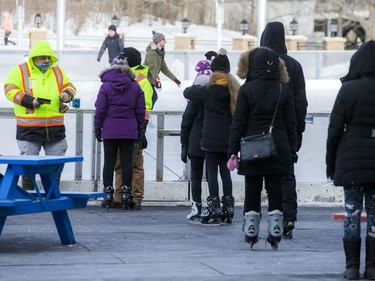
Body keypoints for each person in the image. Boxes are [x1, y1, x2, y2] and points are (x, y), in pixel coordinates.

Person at [227, 47, 297, 249]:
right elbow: (291, 124)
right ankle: (275, 228)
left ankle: (251, 228)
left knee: (252, 187)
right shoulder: (284, 90)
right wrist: (292, 150)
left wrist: (232, 150)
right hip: (279, 146)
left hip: (252, 146)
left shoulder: (247, 89)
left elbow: (238, 122)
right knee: (275, 188)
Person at [326, 40, 375, 280]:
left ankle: (352, 267)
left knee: (352, 213)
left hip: (352, 159)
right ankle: (373, 267)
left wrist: (331, 162)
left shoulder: (348, 89)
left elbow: (334, 129)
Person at [4, 39, 76, 189]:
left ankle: (52, 195)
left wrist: (66, 95)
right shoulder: (20, 70)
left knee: (56, 162)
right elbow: (9, 90)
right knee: (28, 163)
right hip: (29, 128)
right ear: (34, 57)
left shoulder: (58, 71)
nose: (47, 60)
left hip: (55, 127)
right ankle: (29, 196)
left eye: (49, 57)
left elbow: (70, 86)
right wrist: (30, 101)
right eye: (43, 57)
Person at [260, 21, 308, 239]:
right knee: (287, 174)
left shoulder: (259, 63)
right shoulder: (295, 65)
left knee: (266, 175)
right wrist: (298, 131)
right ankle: (289, 217)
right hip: (287, 130)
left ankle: (273, 217)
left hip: (260, 130)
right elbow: (301, 103)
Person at [183, 48, 240, 225]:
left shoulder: (208, 90)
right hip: (228, 140)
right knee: (226, 174)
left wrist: (202, 83)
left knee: (212, 173)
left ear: (213, 72)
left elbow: (187, 92)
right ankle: (228, 206)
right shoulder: (234, 90)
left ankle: (214, 205)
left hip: (209, 140)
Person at [94, 53, 145, 210]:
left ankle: (108, 195)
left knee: (109, 162)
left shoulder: (105, 86)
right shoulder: (135, 86)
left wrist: (98, 127)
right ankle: (126, 194)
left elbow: (100, 109)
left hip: (109, 130)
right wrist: (139, 128)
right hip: (129, 130)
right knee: (127, 163)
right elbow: (140, 110)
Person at [112, 47, 153, 210]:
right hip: (131, 127)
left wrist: (141, 130)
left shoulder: (137, 79)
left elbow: (145, 108)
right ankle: (129, 197)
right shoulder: (140, 79)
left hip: (131, 128)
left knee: (125, 164)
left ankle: (123, 196)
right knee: (130, 164)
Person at [180, 50, 217, 224]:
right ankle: (213, 204)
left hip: (195, 141)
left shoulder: (194, 100)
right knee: (211, 175)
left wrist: (184, 145)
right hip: (211, 141)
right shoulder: (215, 98)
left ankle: (196, 206)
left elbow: (186, 121)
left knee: (196, 175)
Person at [144, 30, 181, 107]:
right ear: (158, 41)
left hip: (150, 81)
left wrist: (175, 80)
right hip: (145, 81)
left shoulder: (159, 54)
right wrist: (157, 82)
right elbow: (152, 69)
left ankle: (145, 116)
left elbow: (165, 69)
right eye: (163, 40)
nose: (165, 41)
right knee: (152, 98)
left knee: (152, 98)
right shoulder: (152, 53)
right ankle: (144, 116)